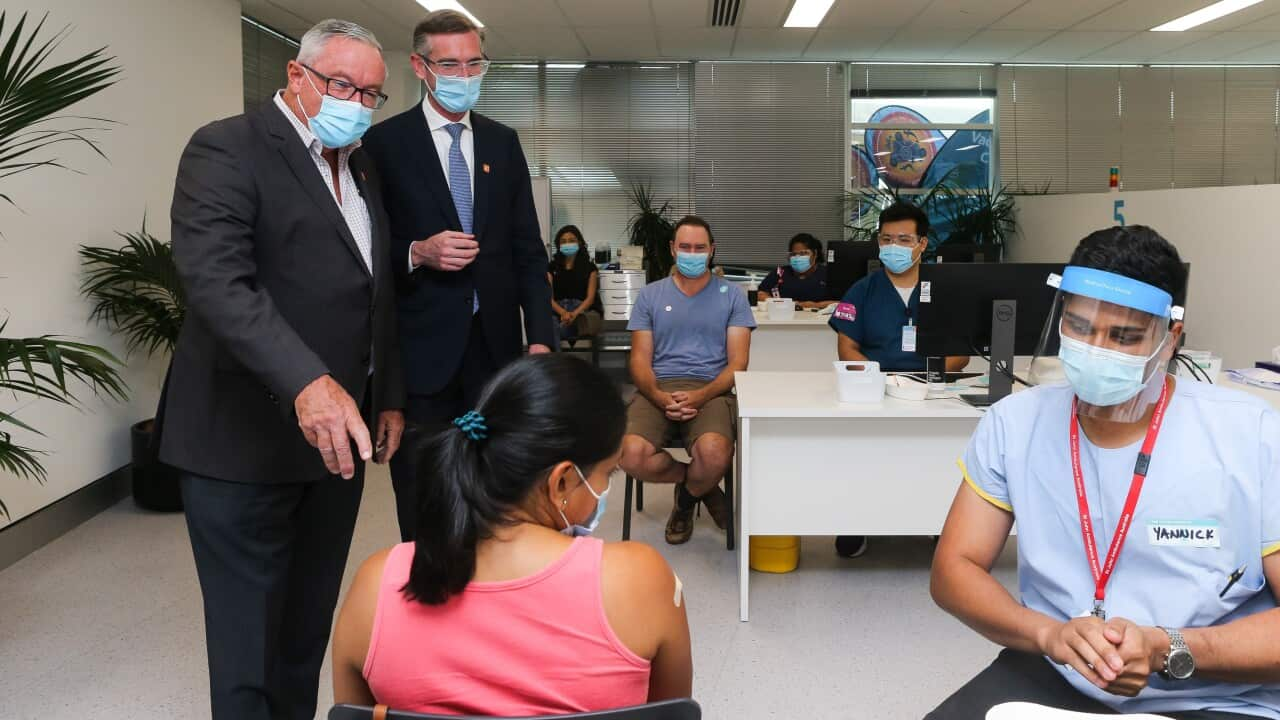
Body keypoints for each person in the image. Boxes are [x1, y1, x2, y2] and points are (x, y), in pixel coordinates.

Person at [928, 226, 1280, 719]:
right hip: (1058, 670)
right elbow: (954, 568)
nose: (1096, 349)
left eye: (1125, 337)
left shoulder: (1255, 435)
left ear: (1170, 337)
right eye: (1079, 326)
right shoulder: (1015, 423)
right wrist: (1048, 634)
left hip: (1214, 692)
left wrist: (1165, 648)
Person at [160, 20, 404, 720]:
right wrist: (306, 380)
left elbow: (373, 287)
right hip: (241, 443)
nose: (356, 102)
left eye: (371, 94)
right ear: (297, 77)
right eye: (342, 85)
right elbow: (218, 284)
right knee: (247, 649)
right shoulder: (226, 148)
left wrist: (384, 391)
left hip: (335, 447)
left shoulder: (357, 163)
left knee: (302, 636)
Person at [331, 354, 692, 715]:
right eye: (607, 473)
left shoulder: (375, 586)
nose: (604, 490)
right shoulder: (639, 579)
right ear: (562, 482)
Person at [361, 9, 554, 542]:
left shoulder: (501, 142)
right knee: (424, 492)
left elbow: (527, 251)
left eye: (475, 63)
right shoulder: (383, 144)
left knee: (497, 491)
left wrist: (539, 339)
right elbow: (366, 247)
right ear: (420, 67)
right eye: (450, 64)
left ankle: (486, 603)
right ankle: (428, 601)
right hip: (421, 352)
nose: (464, 76)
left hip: (494, 351)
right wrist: (418, 251)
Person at [828, 201, 967, 559]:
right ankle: (855, 521)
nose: (894, 247)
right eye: (886, 238)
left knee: (942, 455)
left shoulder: (947, 290)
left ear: (922, 243)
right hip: (874, 389)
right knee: (865, 457)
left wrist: (926, 382)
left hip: (932, 390)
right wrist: (879, 381)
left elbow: (961, 352)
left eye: (904, 239)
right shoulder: (863, 289)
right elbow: (847, 347)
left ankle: (939, 523)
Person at [619, 216, 756, 545]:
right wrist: (658, 396)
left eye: (699, 248)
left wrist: (701, 395)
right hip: (657, 387)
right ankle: (701, 488)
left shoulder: (732, 296)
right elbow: (639, 359)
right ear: (672, 249)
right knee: (629, 454)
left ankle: (684, 502)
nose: (692, 254)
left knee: (714, 453)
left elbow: (738, 362)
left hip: (712, 389)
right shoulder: (650, 296)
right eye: (685, 247)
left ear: (712, 250)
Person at [547, 224, 603, 345]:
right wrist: (563, 313)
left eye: (572, 240)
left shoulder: (589, 267)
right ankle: (558, 359)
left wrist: (574, 314)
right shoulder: (551, 267)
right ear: (558, 245)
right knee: (552, 324)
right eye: (563, 241)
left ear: (579, 242)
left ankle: (556, 361)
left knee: (562, 329)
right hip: (558, 312)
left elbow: (590, 298)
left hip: (581, 312)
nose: (567, 244)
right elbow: (548, 298)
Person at [755, 232, 837, 309]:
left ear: (815, 254)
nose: (798, 258)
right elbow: (760, 294)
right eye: (794, 254)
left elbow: (843, 302)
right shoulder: (780, 272)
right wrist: (782, 303)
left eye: (803, 253)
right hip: (784, 319)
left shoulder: (829, 273)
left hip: (820, 321)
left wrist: (814, 305)